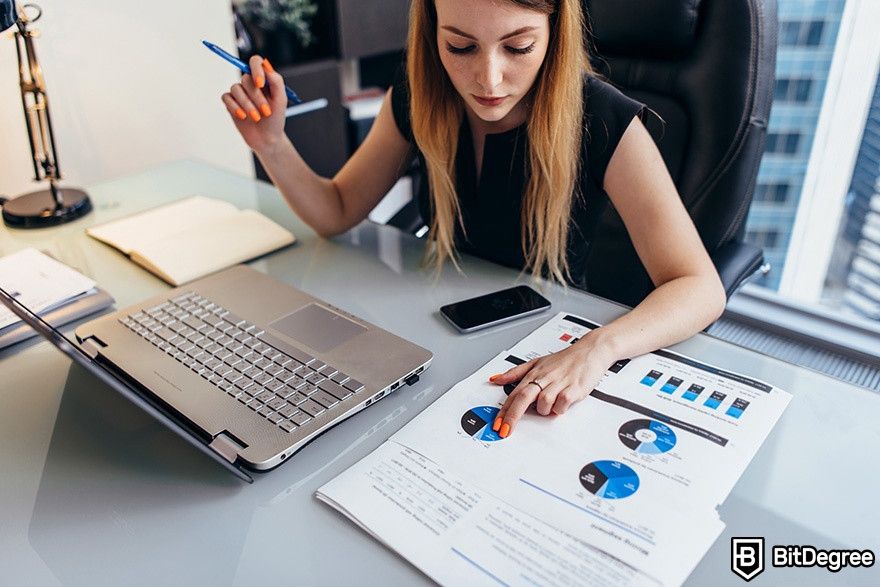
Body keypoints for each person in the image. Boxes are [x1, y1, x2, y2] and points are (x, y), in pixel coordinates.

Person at [219, 0, 726, 439]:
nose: (488, 79)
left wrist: (599, 348)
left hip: (542, 353)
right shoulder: (419, 93)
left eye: (518, 47)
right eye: (460, 47)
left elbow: (700, 286)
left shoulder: (605, 118)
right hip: (434, 335)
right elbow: (336, 211)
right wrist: (273, 144)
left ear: (555, 33)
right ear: (431, 33)